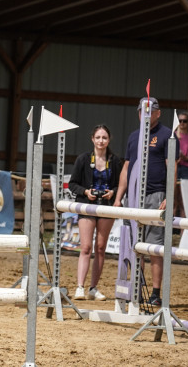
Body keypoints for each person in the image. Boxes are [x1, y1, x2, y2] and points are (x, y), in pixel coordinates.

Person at [113, 96, 173, 307]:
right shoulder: (133, 136)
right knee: (133, 245)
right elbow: (127, 168)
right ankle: (136, 287)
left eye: (149, 111)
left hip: (156, 196)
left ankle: (156, 292)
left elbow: (171, 167)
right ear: (138, 113)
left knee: (155, 245)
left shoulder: (166, 134)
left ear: (158, 113)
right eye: (141, 111)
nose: (145, 115)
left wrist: (168, 196)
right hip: (133, 197)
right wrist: (119, 197)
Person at [68, 125, 122, 301]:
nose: (101, 141)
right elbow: (73, 183)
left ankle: (93, 287)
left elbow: (120, 185)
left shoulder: (115, 161)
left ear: (109, 139)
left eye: (104, 138)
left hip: (106, 207)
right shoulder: (83, 159)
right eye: (98, 137)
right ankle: (79, 287)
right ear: (92, 139)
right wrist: (85, 192)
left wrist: (113, 192)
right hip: (87, 206)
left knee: (100, 248)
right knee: (85, 247)